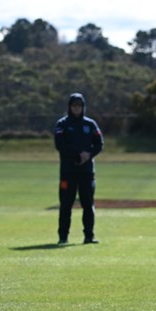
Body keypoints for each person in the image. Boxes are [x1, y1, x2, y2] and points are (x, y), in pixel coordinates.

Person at [54, 92, 104, 245]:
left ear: (83, 107)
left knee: (88, 204)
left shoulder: (90, 124)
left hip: (87, 172)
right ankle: (63, 237)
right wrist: (77, 154)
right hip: (68, 172)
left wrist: (88, 155)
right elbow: (60, 145)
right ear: (70, 107)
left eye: (79, 105)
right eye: (74, 105)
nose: (77, 108)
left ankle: (89, 236)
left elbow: (99, 144)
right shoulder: (62, 124)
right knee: (66, 205)